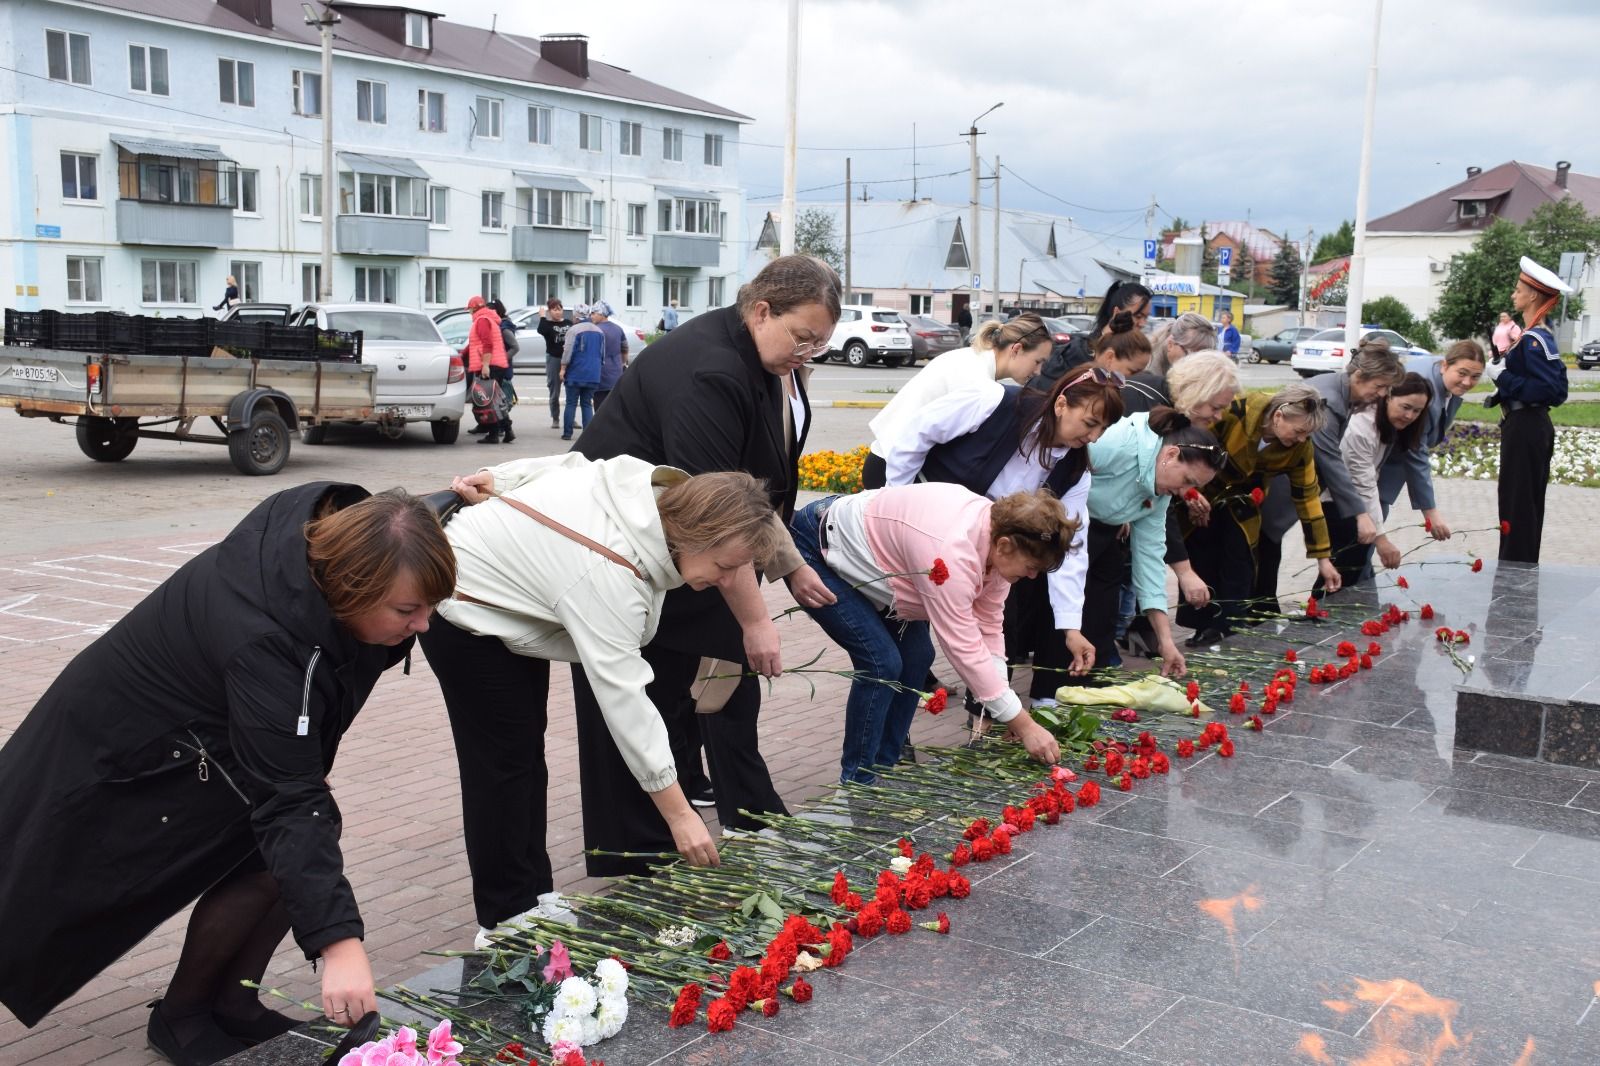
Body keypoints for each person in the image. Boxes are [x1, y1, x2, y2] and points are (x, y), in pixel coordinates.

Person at [0, 484, 454, 1064]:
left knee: (283, 849)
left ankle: (232, 1004)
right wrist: (339, 944)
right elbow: (290, 799)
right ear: (351, 588)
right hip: (121, 748)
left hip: (205, 735)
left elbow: (406, 524)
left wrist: (462, 494)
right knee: (28, 886)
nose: (424, 625)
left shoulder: (347, 539)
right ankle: (183, 1017)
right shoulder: (269, 640)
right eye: (407, 610)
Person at [422, 456, 781, 944]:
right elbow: (624, 701)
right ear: (697, 534)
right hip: (463, 606)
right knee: (502, 763)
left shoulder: (649, 488)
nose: (725, 581)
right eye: (724, 566)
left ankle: (533, 896)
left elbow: (572, 462)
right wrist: (679, 815)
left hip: (515, 596)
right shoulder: (609, 570)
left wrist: (504, 479)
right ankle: (504, 917)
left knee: (526, 753)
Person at [567, 254, 842, 870]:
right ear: (762, 309)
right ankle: (639, 856)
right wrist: (756, 620)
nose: (808, 353)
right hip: (618, 551)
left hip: (681, 544)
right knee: (645, 695)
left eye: (820, 345)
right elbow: (722, 512)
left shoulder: (762, 354)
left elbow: (749, 487)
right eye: (803, 337)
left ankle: (711, 810)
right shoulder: (710, 371)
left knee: (707, 683)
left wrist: (791, 563)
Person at [792, 485, 1068, 782]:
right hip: (820, 546)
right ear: (1003, 546)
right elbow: (964, 648)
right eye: (1031, 567)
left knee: (918, 657)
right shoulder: (953, 552)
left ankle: (884, 771)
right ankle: (859, 783)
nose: (1032, 576)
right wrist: (1024, 724)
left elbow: (988, 629)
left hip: (880, 563)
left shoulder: (997, 548)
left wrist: (1006, 708)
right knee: (881, 663)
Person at [1178, 385, 1342, 643]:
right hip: (1200, 490)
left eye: (1306, 435)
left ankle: (1229, 627)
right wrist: (1187, 493)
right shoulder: (1235, 412)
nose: (1301, 440)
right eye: (1299, 431)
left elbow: (1308, 497)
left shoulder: (1300, 447)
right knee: (1202, 556)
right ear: (1278, 416)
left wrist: (1323, 557)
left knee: (1240, 562)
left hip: (1244, 500)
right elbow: (1188, 446)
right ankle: (1204, 626)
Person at [1081, 407, 1226, 672]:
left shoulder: (1161, 493)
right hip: (1056, 524)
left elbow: (1150, 562)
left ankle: (1082, 685)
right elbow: (1056, 472)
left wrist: (1166, 642)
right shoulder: (1117, 443)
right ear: (1171, 455)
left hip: (1101, 534)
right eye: (1186, 480)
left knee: (1098, 618)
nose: (1185, 493)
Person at [1116, 352, 1240, 652]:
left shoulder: (1170, 410)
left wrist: (1185, 489)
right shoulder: (1144, 403)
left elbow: (1157, 501)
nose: (1219, 417)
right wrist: (1184, 572)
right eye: (1215, 407)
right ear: (1197, 390)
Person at [862, 314, 1054, 489]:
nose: (1038, 371)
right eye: (1038, 361)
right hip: (892, 471)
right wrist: (896, 494)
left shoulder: (971, 359)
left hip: (888, 463)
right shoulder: (975, 379)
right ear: (1017, 349)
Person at [1489, 255, 1572, 564]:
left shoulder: (1534, 339)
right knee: (1522, 501)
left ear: (1533, 295)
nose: (1513, 295)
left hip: (1526, 425)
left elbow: (1551, 390)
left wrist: (1503, 377)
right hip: (1528, 424)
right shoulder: (1535, 336)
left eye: (1517, 289)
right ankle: (1519, 564)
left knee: (1517, 504)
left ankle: (1513, 570)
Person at [1309, 339, 1407, 594]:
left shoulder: (1348, 398)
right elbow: (1332, 461)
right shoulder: (1331, 401)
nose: (1383, 394)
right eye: (1380, 386)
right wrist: (1362, 516)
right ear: (1360, 375)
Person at [1377, 340, 1487, 542]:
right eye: (1462, 373)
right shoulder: (1426, 396)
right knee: (1363, 541)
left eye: (1475, 377)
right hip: (1373, 469)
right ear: (1445, 365)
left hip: (1379, 466)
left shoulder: (1440, 372)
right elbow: (1415, 451)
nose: (1467, 382)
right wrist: (1430, 512)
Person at [1335, 372, 1434, 585]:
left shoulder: (1387, 424)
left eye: (1417, 411)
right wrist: (1382, 540)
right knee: (1341, 571)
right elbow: (1364, 485)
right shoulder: (1362, 427)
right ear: (1388, 396)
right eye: (1405, 407)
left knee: (1350, 569)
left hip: (1353, 502)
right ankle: (1321, 613)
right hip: (1336, 501)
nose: (1409, 416)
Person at [1033, 280, 1152, 387]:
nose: (1142, 323)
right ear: (1117, 313)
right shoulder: (1079, 351)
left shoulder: (1132, 351)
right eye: (1138, 316)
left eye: (1146, 317)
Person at [464, 295, 514, 445]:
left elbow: (487, 344)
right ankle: (508, 430)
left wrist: (485, 365)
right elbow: (474, 345)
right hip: (495, 364)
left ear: (474, 308)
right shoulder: (488, 318)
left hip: (489, 366)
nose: (470, 313)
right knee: (496, 400)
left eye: (470, 310)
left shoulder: (482, 320)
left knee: (487, 401)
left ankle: (493, 434)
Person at [560, 305, 602, 441]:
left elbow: (567, 351)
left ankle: (567, 433)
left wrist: (563, 368)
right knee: (587, 404)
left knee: (571, 403)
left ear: (576, 316)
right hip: (593, 374)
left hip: (575, 373)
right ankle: (587, 436)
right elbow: (602, 354)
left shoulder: (573, 330)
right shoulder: (599, 331)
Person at [1142, 312, 1218, 385]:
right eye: (1190, 355)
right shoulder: (1144, 375)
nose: (1197, 364)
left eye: (1204, 357)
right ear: (1170, 345)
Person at [537, 298, 570, 431]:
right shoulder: (547, 325)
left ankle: (570, 418)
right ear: (550, 311)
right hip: (554, 359)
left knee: (571, 391)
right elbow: (541, 329)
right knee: (554, 390)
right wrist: (542, 317)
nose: (558, 312)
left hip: (569, 360)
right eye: (554, 309)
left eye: (560, 309)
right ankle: (555, 418)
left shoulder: (569, 323)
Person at [590, 301, 630, 410]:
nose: (591, 316)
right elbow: (625, 350)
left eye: (594, 313)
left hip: (600, 374)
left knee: (599, 407)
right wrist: (622, 364)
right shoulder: (618, 329)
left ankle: (600, 427)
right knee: (613, 407)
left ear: (601, 314)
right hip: (616, 374)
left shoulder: (596, 330)